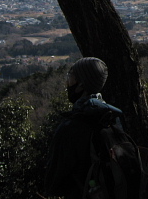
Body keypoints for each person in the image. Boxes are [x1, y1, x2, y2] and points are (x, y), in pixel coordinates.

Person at [45, 57, 122, 199]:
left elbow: (52, 182)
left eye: (71, 78)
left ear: (81, 85)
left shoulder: (70, 127)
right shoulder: (112, 119)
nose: (68, 83)